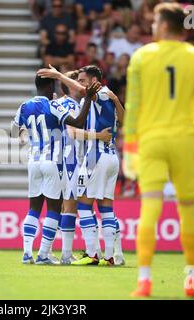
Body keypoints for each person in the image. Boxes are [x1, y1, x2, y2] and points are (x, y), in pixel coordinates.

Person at [123, 3, 194, 297]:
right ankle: (193, 280)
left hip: (151, 142)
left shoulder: (141, 57)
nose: (152, 26)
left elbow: (134, 106)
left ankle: (144, 280)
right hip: (185, 141)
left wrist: (129, 146)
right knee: (189, 212)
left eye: (154, 21)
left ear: (164, 25)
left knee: (149, 208)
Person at [12, 74, 99, 264]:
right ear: (51, 86)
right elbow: (76, 123)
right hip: (53, 161)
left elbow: (14, 132)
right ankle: (43, 254)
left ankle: (27, 252)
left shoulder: (24, 106)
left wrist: (32, 138)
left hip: (33, 161)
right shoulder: (54, 105)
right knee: (53, 209)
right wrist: (87, 102)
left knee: (33, 209)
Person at [56, 70, 113, 264]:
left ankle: (95, 253)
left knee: (79, 205)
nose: (80, 84)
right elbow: (72, 132)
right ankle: (70, 253)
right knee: (76, 205)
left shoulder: (80, 102)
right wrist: (99, 136)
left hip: (84, 158)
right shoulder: (70, 104)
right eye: (76, 80)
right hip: (74, 159)